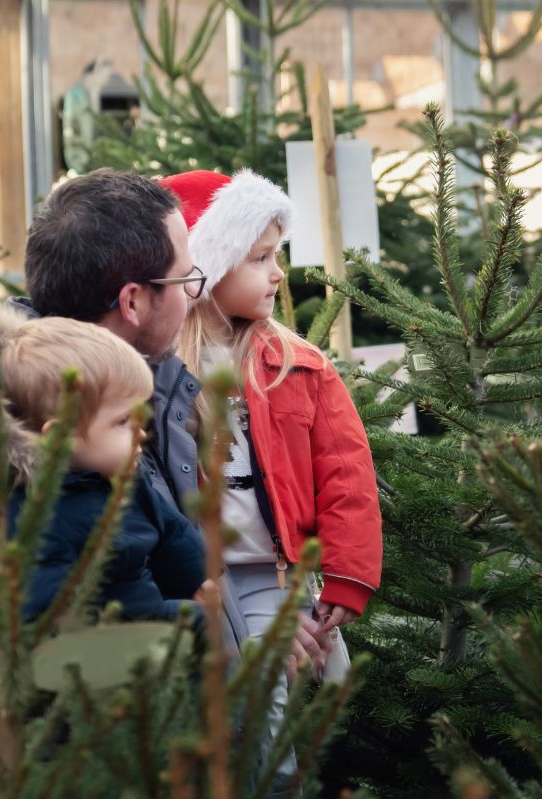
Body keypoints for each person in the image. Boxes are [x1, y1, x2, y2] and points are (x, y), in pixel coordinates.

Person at [0, 169, 330, 707]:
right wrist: (53, 691)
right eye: (186, 278)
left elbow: (171, 557)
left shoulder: (156, 378)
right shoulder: (0, 410)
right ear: (133, 302)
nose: (196, 294)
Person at [160, 169, 383, 787]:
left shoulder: (298, 366)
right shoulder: (158, 367)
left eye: (276, 255)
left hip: (267, 575)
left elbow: (346, 474)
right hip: (185, 576)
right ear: (209, 263)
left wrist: (344, 576)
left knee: (263, 717)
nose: (277, 273)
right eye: (259, 258)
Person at [0, 305, 208, 674]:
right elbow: (65, 622)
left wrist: (197, 573)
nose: (140, 432)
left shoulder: (109, 474)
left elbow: (174, 539)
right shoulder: (25, 514)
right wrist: (188, 620)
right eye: (122, 421)